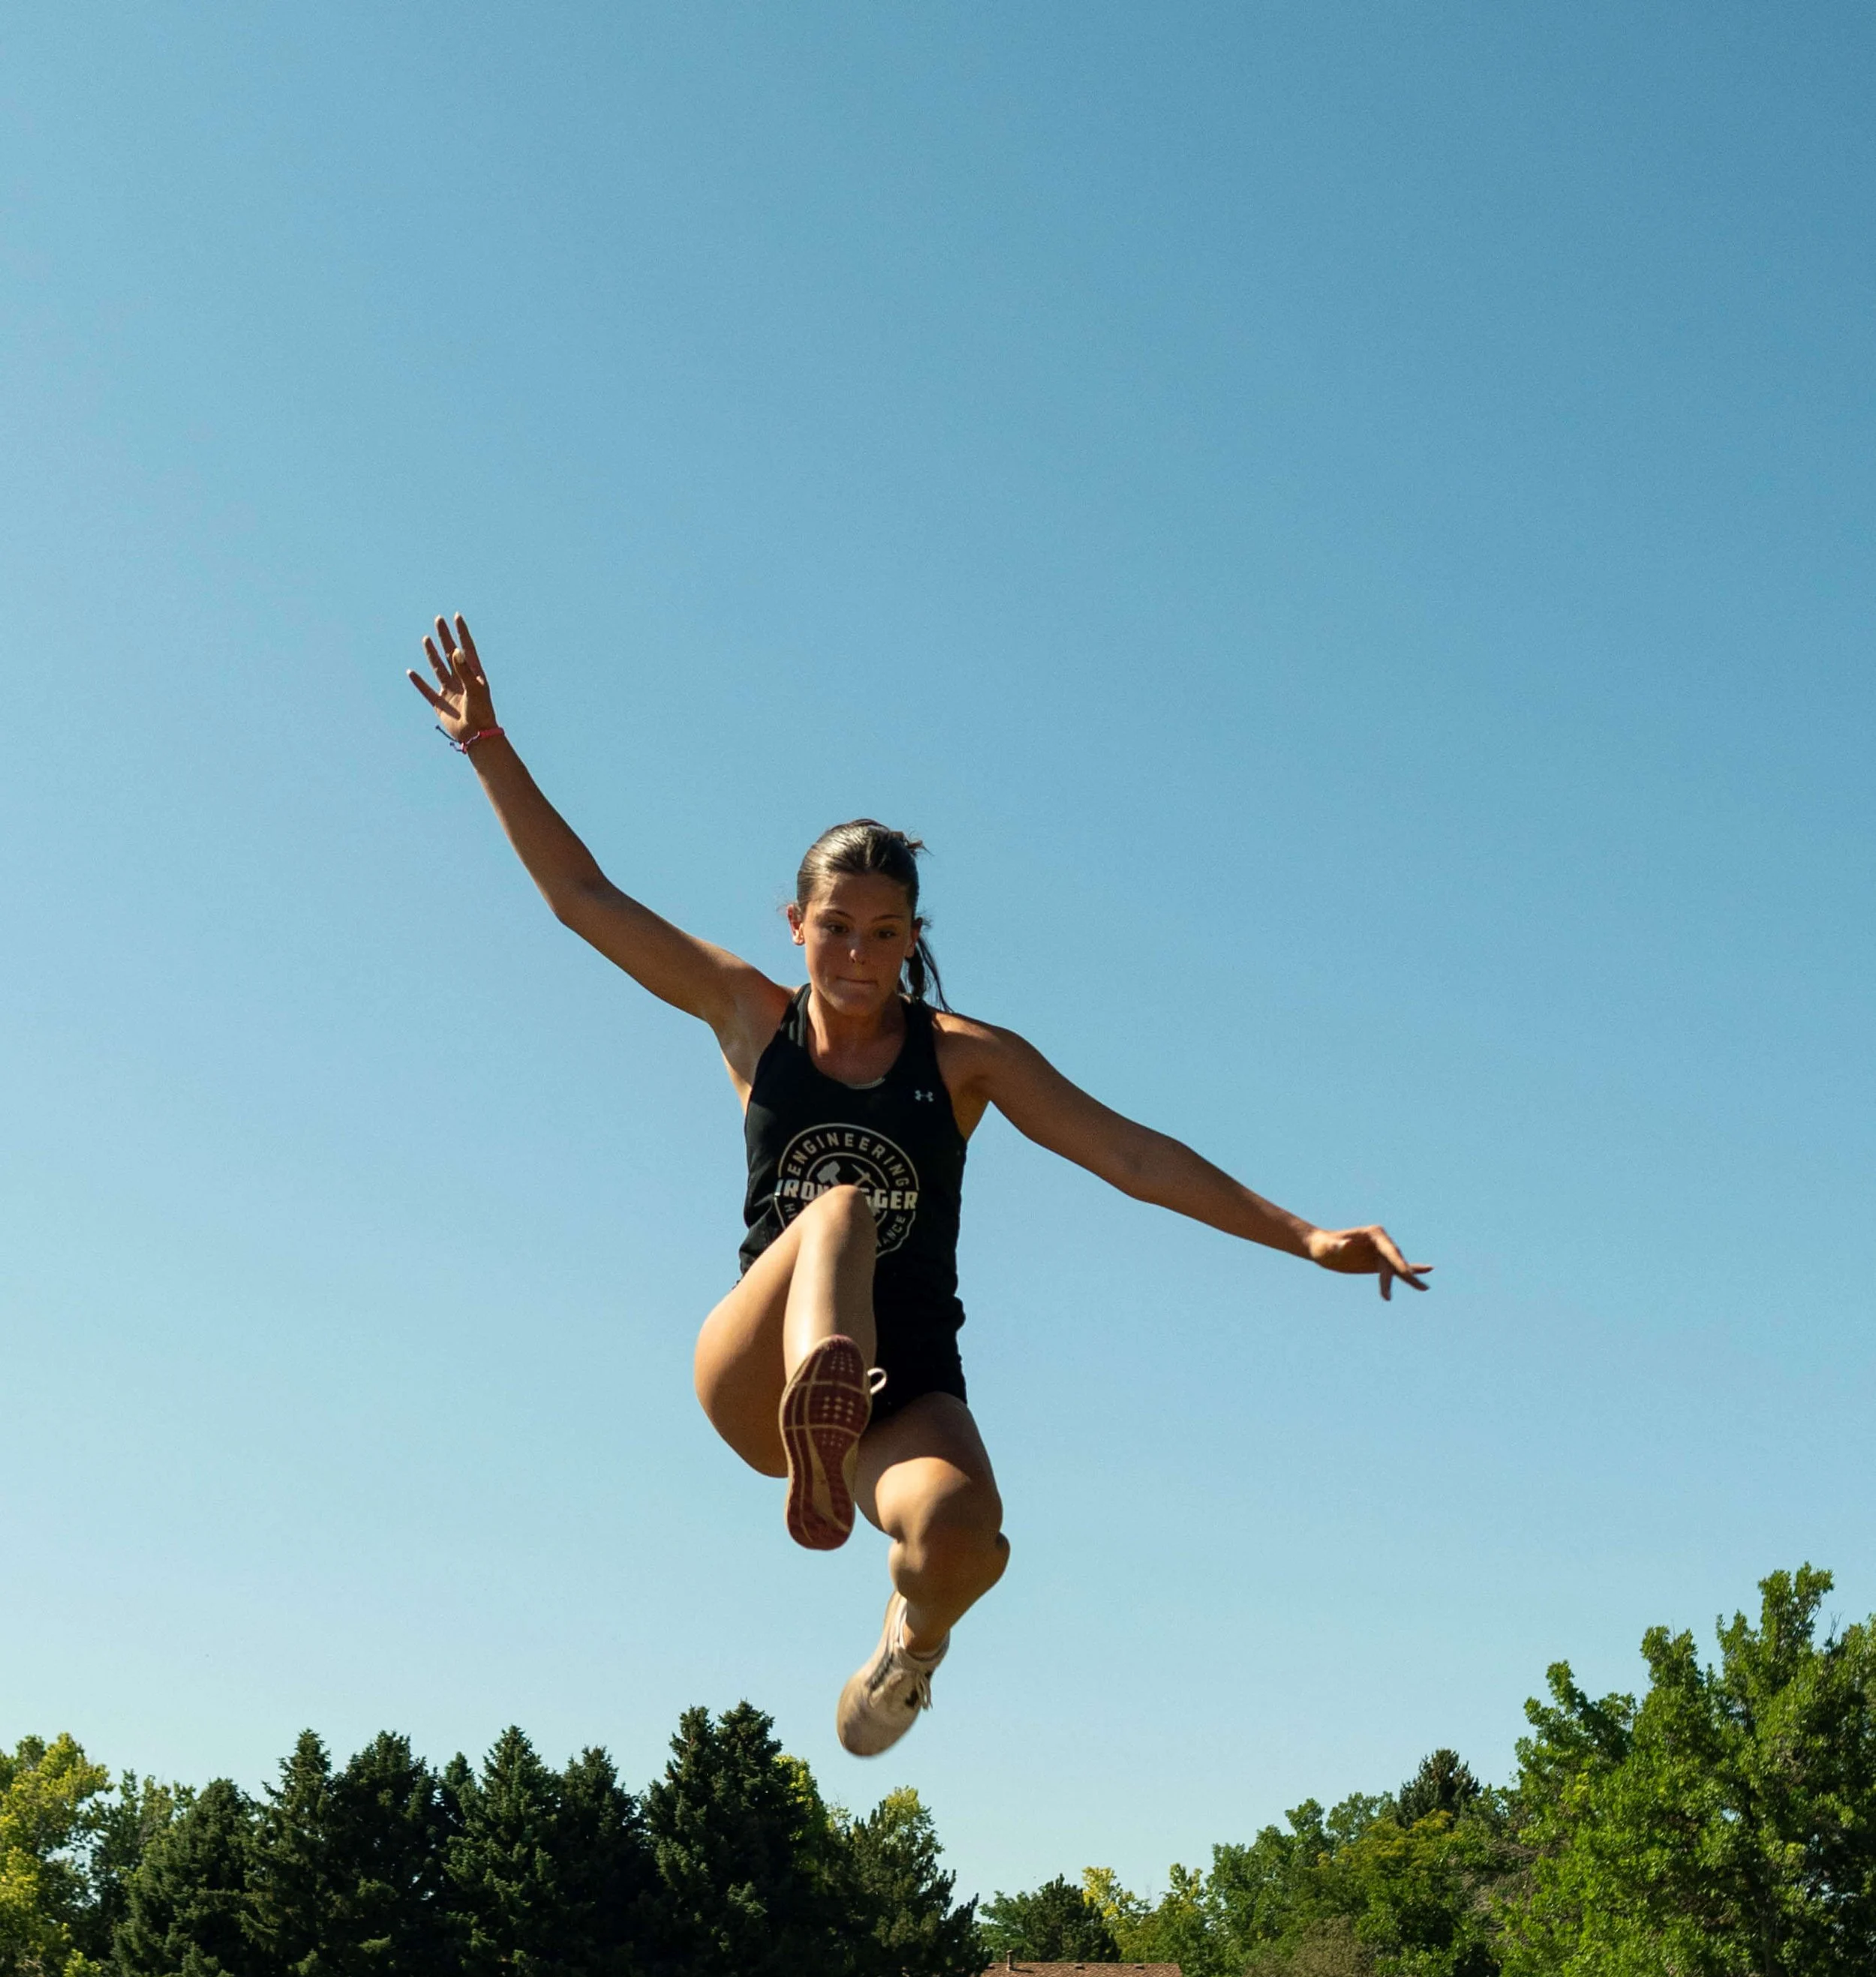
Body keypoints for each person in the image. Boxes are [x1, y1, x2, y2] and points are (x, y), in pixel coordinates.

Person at [409, 614, 1430, 1756]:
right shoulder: (753, 1017)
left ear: (910, 941)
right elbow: (584, 897)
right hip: (759, 1368)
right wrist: (487, 741)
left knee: (962, 1528)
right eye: (833, 929)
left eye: (881, 934)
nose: (853, 957)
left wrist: (1308, 1239)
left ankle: (908, 1652)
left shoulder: (963, 1059)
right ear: (795, 925)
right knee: (837, 1206)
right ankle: (817, 1402)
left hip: (904, 1393)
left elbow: (1133, 1156)